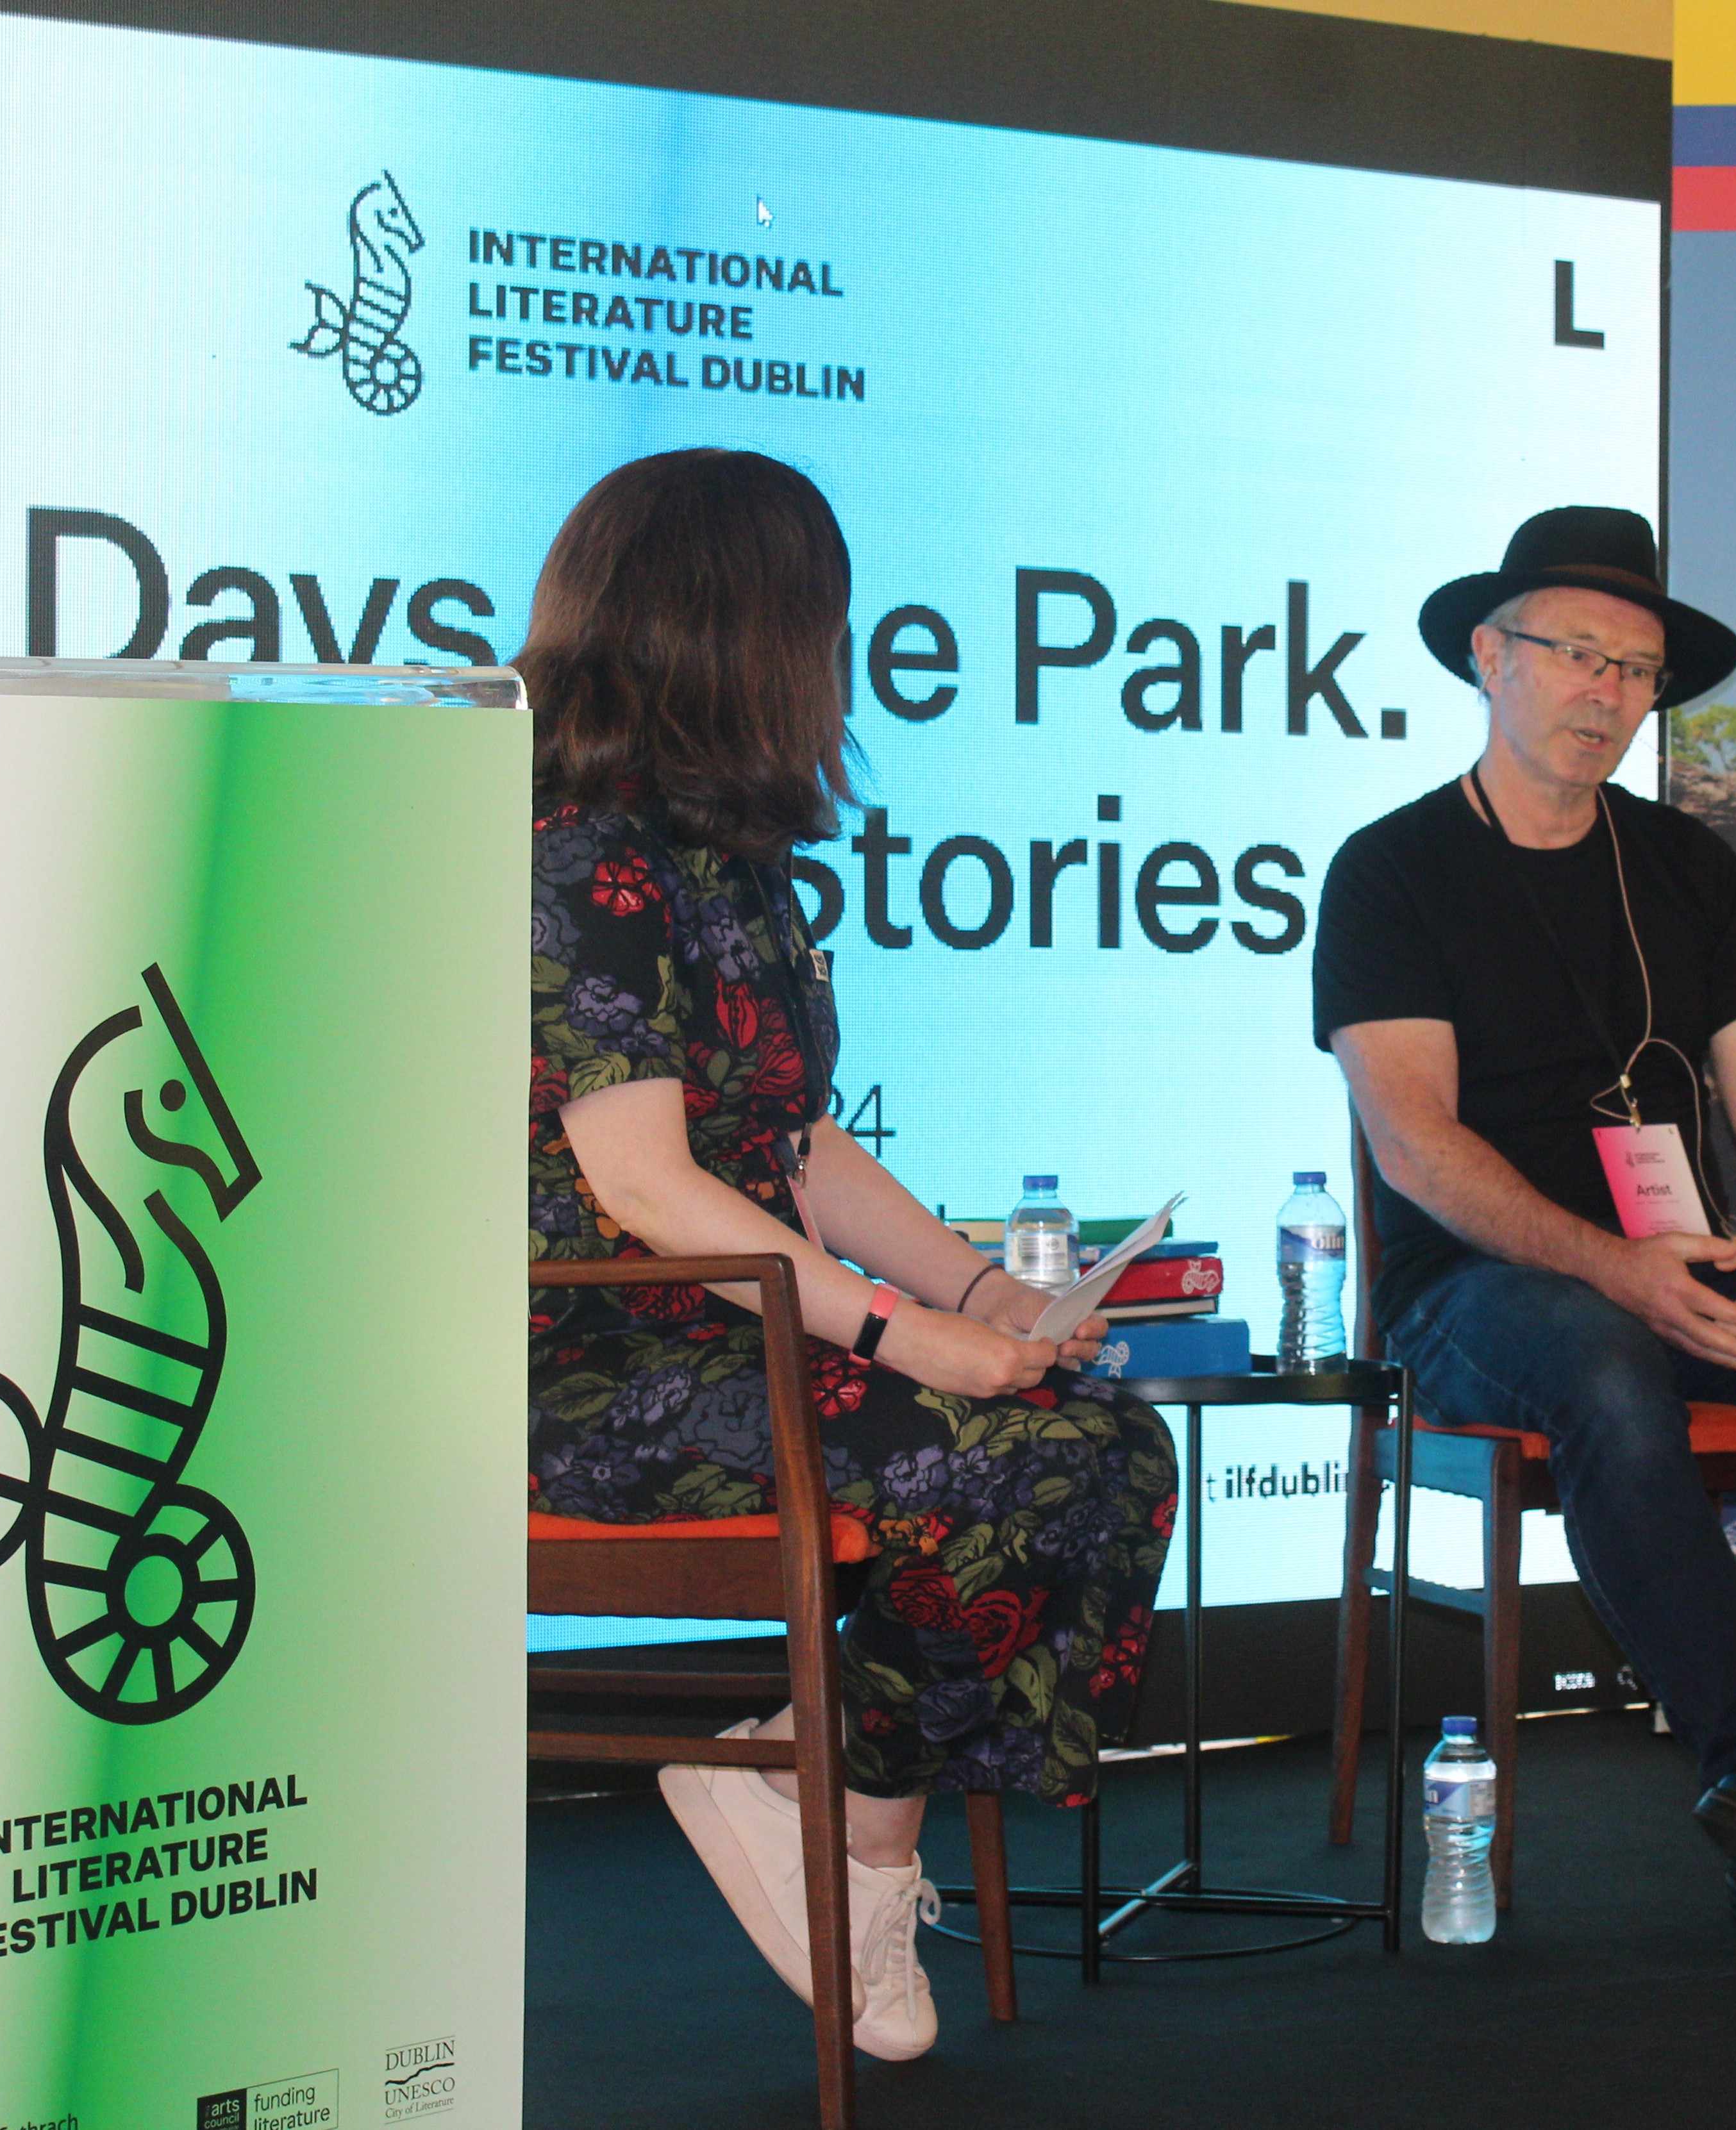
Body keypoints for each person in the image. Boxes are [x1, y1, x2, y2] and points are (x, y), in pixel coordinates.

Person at [525, 449, 1178, 2056]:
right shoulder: (570, 849)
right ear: (737, 626)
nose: (837, 656)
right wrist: (910, 1338)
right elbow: (651, 1190)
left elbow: (802, 1144)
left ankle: (841, 1819)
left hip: (738, 1328)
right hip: (593, 1358)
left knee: (1107, 1443)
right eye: (820, 617)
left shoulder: (727, 857)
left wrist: (986, 1291)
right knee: (1002, 1459)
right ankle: (840, 1831)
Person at [1314, 506, 1736, 1957]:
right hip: (1483, 1292)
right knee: (1605, 1364)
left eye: (1635, 671)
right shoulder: (1392, 869)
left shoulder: (1689, 866)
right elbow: (1414, 1143)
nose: (1608, 693)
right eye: (1576, 654)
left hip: (1685, 1260)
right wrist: (1616, 1266)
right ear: (1488, 657)